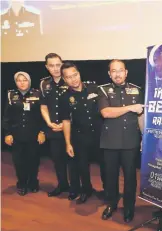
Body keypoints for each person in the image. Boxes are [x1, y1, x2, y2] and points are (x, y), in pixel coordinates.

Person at [98, 59, 144, 222]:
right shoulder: (103, 90)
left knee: (130, 177)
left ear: (126, 72)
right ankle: (111, 204)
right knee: (110, 176)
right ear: (109, 74)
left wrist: (144, 137)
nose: (117, 74)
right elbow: (106, 112)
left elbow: (140, 116)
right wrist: (130, 108)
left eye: (120, 70)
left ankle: (129, 208)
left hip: (130, 141)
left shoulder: (137, 90)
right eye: (114, 71)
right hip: (110, 141)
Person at [59, 62, 106, 204]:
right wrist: (68, 143)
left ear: (79, 73)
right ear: (64, 79)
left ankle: (107, 190)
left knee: (105, 165)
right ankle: (86, 190)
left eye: (75, 75)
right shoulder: (64, 97)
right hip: (80, 136)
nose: (73, 79)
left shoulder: (95, 89)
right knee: (82, 166)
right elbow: (66, 121)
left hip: (100, 135)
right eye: (68, 77)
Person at [3, 71, 46, 195]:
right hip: (16, 136)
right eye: (19, 80)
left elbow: (43, 115)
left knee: (33, 160)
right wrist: (7, 133)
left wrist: (42, 131)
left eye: (25, 80)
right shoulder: (11, 95)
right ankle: (21, 183)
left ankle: (33, 182)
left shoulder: (37, 94)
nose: (22, 83)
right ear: (16, 82)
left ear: (29, 81)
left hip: (34, 135)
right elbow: (6, 116)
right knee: (19, 161)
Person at [40, 53, 71, 198]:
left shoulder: (70, 81)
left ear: (62, 63)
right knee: (58, 160)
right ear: (47, 67)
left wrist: (65, 125)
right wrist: (48, 122)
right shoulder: (43, 84)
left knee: (73, 161)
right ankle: (62, 184)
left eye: (58, 65)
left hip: (70, 129)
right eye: (51, 65)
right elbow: (43, 106)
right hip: (53, 129)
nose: (55, 68)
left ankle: (76, 187)